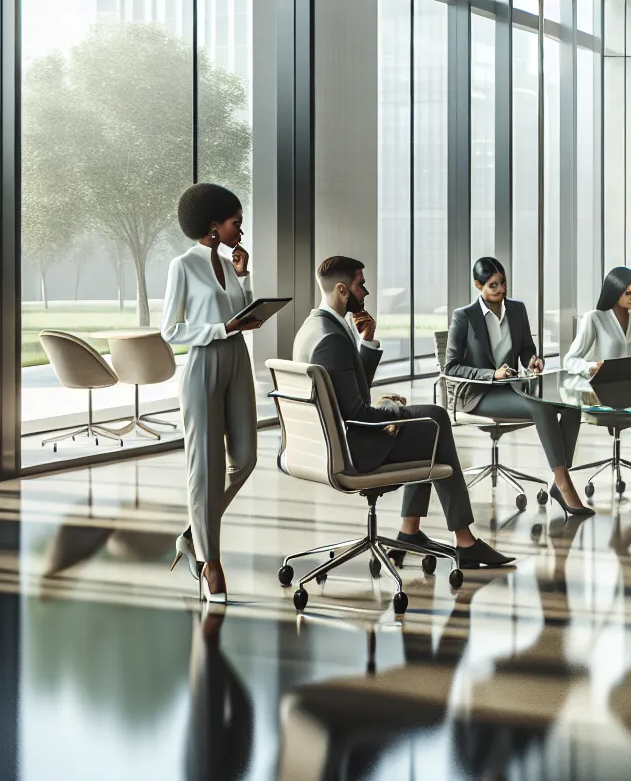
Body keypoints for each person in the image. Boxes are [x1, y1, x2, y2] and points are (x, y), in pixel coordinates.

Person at [292, 256, 514, 568]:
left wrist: (366, 343)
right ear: (342, 290)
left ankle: (411, 532)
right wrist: (392, 409)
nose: (366, 292)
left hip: (328, 444)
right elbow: (359, 413)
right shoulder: (332, 339)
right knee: (434, 420)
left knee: (425, 425)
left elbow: (347, 393)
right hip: (355, 448)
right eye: (361, 284)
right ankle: (464, 540)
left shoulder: (312, 328)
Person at [165, 183, 261, 603]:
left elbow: (242, 312)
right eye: (235, 223)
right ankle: (210, 561)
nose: (240, 230)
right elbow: (171, 330)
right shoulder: (183, 266)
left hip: (237, 359)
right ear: (213, 225)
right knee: (204, 468)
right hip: (204, 364)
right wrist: (220, 329)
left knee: (245, 458)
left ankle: (192, 532)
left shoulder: (229, 263)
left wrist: (244, 278)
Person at [443, 257, 593, 516]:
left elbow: (526, 349)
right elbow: (451, 367)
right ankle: (563, 483)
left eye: (503, 283)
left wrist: (533, 361)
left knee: (571, 405)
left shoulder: (516, 310)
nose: (501, 289)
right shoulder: (464, 317)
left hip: (514, 387)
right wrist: (492, 375)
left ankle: (561, 477)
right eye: (493, 285)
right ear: (478, 285)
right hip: (479, 394)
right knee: (541, 405)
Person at [561, 266, 631, 376]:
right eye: (628, 293)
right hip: (597, 387)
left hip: (630, 384)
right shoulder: (594, 319)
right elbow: (569, 361)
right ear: (615, 292)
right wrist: (590, 367)